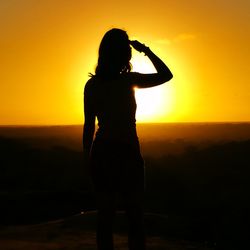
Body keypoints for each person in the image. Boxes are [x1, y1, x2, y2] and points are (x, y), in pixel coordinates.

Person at [82, 28, 173, 250]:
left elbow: (88, 126)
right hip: (127, 152)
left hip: (102, 152)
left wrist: (88, 160)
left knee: (106, 217)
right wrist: (147, 51)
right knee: (134, 217)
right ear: (125, 54)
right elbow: (166, 75)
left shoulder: (92, 85)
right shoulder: (128, 81)